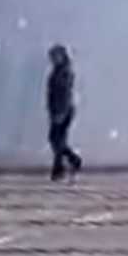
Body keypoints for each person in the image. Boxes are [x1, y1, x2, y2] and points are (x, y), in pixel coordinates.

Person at [46, 44, 82, 182]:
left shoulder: (63, 72)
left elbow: (64, 94)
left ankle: (61, 168)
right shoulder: (59, 71)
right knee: (57, 140)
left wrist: (60, 112)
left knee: (57, 140)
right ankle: (68, 163)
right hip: (59, 109)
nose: (53, 59)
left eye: (55, 56)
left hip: (62, 110)